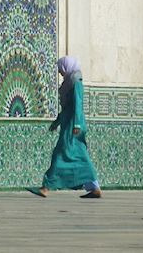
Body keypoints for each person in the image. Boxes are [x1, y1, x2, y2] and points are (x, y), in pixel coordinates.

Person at [28, 56, 102, 198]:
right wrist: (57, 122)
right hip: (69, 124)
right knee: (80, 156)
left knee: (60, 154)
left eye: (61, 69)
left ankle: (46, 187)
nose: (60, 72)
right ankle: (94, 187)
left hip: (73, 126)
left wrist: (77, 124)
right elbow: (67, 108)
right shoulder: (70, 82)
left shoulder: (75, 82)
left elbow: (77, 105)